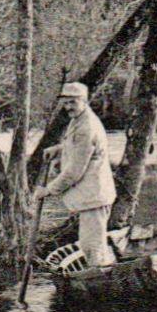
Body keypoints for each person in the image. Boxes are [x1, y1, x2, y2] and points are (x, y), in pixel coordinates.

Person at [34, 82, 117, 269]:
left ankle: (101, 285)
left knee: (91, 246)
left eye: (73, 102)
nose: (68, 107)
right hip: (90, 195)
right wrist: (59, 149)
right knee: (93, 245)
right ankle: (102, 275)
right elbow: (78, 147)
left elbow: (73, 173)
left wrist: (47, 190)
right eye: (65, 103)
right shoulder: (78, 119)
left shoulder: (86, 127)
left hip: (94, 196)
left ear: (85, 101)